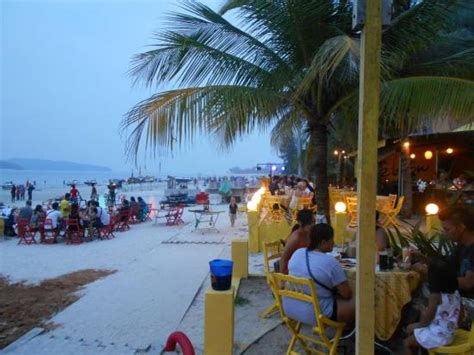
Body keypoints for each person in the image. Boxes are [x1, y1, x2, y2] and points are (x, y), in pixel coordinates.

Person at [284, 223, 355, 324]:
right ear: (323, 242)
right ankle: (349, 329)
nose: (334, 243)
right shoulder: (330, 262)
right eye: (332, 240)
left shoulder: (297, 253)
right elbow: (346, 294)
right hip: (314, 313)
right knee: (359, 301)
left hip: (290, 307)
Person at [404, 257, 461, 354]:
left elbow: (426, 320)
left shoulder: (436, 297)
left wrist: (415, 325)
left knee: (407, 342)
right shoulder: (456, 293)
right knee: (416, 335)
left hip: (437, 337)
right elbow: (461, 314)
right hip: (449, 335)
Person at [280, 209, 315, 275]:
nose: (313, 225)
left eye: (314, 222)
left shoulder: (309, 233)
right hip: (293, 270)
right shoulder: (296, 237)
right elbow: (284, 258)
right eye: (310, 223)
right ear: (301, 223)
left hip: (305, 266)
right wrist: (282, 279)